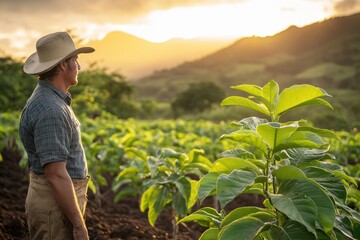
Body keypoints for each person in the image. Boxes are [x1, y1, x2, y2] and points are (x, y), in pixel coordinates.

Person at [19, 31, 95, 240]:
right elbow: (56, 174)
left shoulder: (51, 100)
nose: (79, 66)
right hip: (55, 208)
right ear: (63, 65)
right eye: (75, 60)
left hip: (58, 204)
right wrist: (79, 225)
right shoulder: (51, 110)